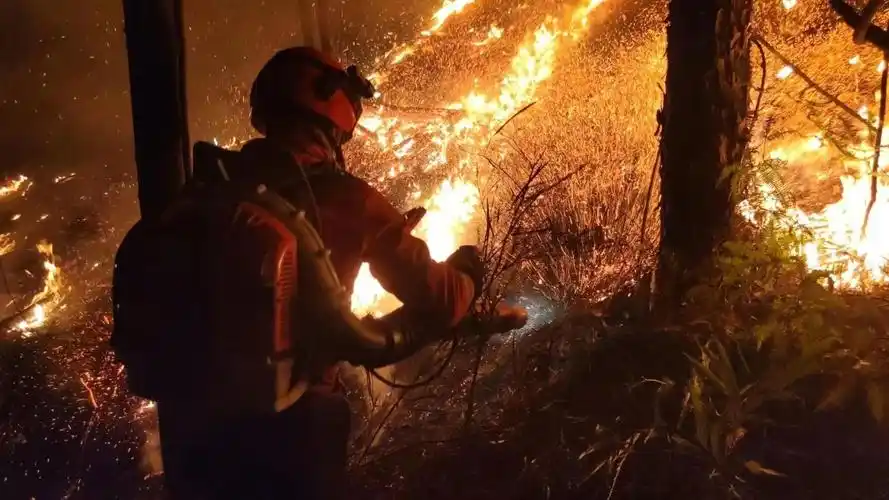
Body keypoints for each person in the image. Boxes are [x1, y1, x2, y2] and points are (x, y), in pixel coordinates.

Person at [156, 46, 484, 500]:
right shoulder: (346, 198)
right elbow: (443, 299)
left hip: (193, 434)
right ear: (333, 113)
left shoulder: (207, 190)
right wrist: (468, 269)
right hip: (293, 433)